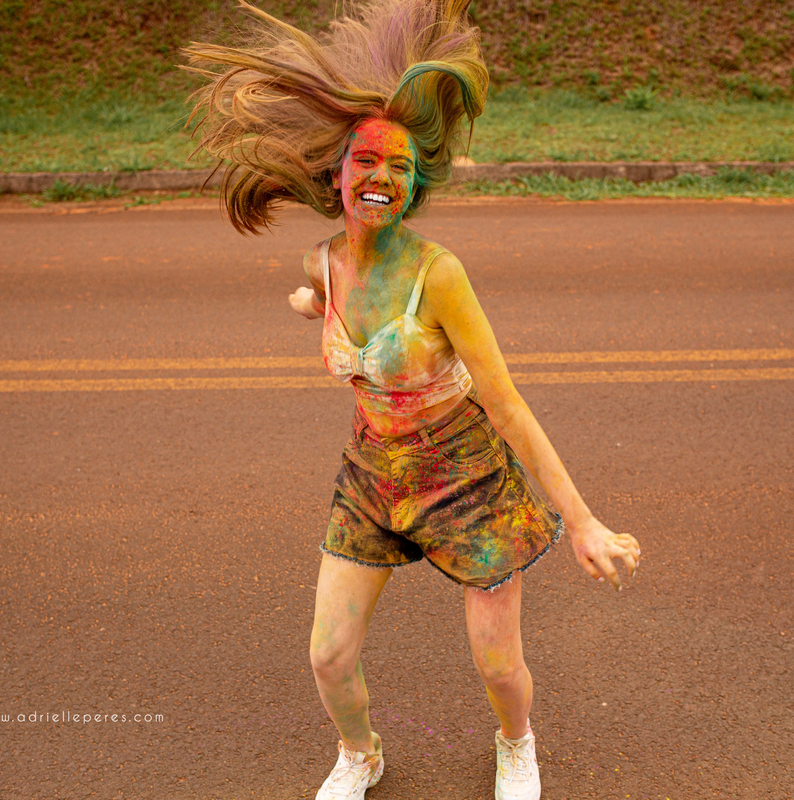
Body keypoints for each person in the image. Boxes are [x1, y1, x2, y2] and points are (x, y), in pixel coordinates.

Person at [184, 3, 641, 798]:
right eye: (366, 162)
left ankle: (516, 745)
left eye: (400, 167)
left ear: (414, 182)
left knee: (499, 664)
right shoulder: (325, 263)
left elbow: (509, 406)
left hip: (467, 477)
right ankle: (362, 753)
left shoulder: (441, 274)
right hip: (372, 475)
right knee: (328, 653)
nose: (382, 178)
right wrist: (308, 307)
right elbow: (333, 316)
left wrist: (585, 522)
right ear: (336, 173)